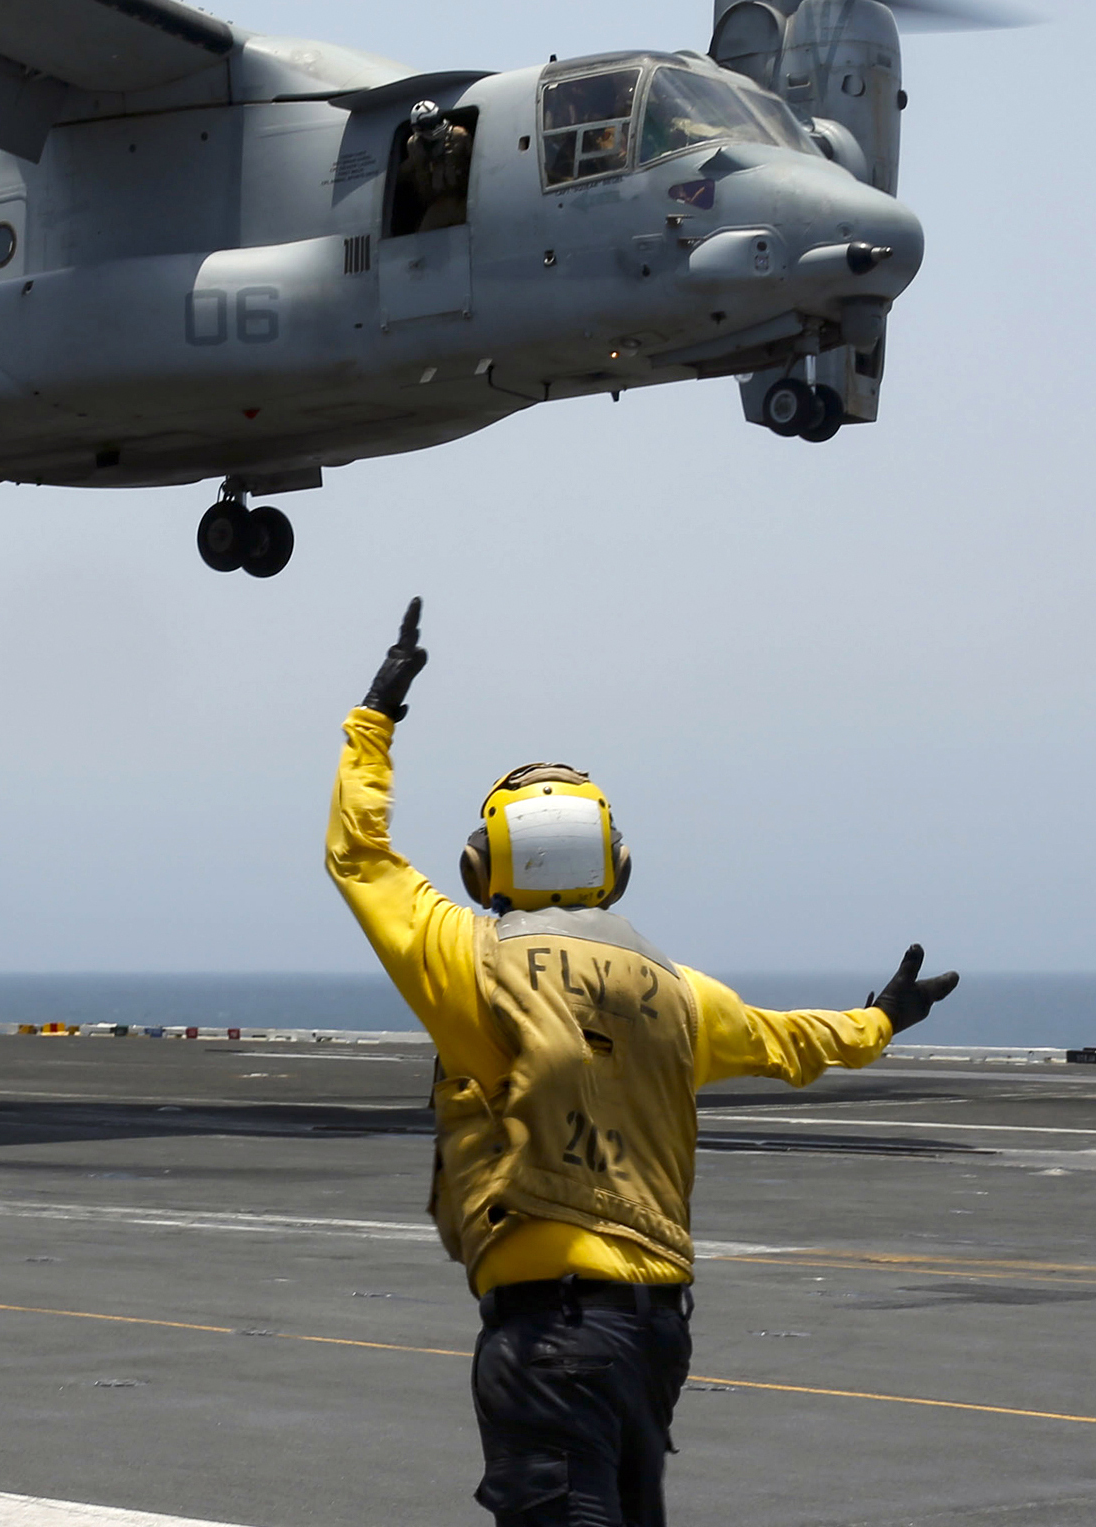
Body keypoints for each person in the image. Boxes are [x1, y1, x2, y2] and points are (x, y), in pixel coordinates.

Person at [325, 597, 959, 1527]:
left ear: (481, 867)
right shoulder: (680, 993)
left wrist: (374, 719)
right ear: (614, 867)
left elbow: (360, 855)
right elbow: (795, 1042)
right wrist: (882, 1018)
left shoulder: (470, 962)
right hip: (656, 1330)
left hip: (552, 1328)